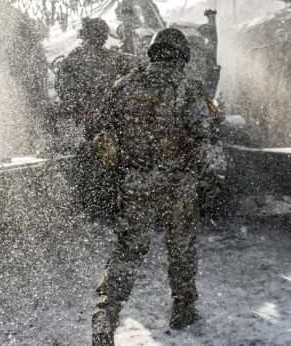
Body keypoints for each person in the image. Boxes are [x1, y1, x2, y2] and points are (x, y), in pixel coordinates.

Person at [90, 27, 220, 346]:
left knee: (129, 250)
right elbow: (204, 139)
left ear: (152, 52)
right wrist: (213, 176)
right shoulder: (189, 89)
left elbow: (103, 132)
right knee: (181, 248)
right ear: (183, 56)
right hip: (178, 185)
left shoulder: (123, 86)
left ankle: (106, 315)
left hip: (136, 183)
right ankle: (183, 309)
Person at [54, 18, 128, 129]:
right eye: (102, 33)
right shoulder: (111, 57)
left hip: (88, 117)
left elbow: (62, 89)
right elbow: (137, 64)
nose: (105, 37)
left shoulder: (72, 59)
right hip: (104, 115)